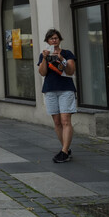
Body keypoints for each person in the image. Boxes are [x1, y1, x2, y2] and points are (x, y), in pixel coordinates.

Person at [38, 29, 77, 164]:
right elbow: (42, 73)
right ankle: (65, 148)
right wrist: (44, 58)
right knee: (57, 122)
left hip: (66, 89)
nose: (54, 40)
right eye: (51, 38)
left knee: (65, 120)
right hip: (50, 89)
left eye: (56, 38)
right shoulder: (44, 54)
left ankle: (64, 151)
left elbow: (71, 71)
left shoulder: (67, 53)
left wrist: (62, 60)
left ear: (59, 39)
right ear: (47, 41)